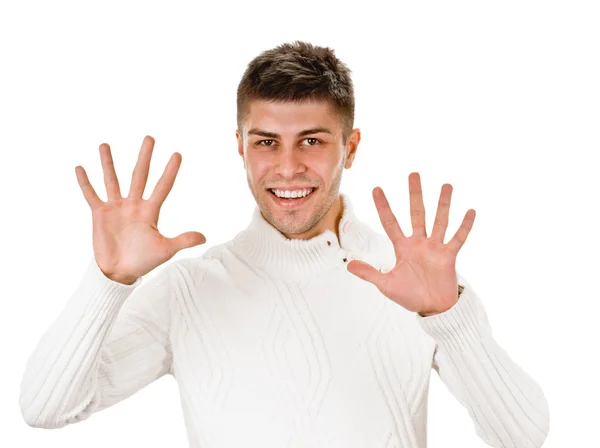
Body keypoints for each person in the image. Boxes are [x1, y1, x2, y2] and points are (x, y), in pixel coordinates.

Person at [19, 41, 549, 448]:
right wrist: (108, 282)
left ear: (351, 146)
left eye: (312, 141)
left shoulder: (414, 282)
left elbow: (523, 435)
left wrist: (449, 318)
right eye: (266, 142)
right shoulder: (191, 288)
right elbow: (45, 408)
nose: (288, 167)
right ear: (240, 148)